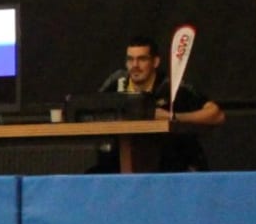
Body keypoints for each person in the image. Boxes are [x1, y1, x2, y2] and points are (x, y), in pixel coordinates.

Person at [92, 33, 225, 172]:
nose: (135, 65)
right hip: (122, 164)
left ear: (155, 62)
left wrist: (173, 117)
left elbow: (216, 115)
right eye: (130, 59)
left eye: (142, 59)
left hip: (172, 165)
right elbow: (92, 106)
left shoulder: (172, 86)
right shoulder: (117, 82)